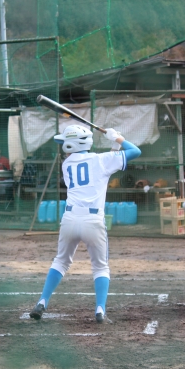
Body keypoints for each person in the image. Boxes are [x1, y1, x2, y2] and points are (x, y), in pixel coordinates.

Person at [28, 125, 142, 323]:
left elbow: (103, 169)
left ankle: (42, 302)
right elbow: (135, 151)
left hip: (69, 220)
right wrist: (117, 139)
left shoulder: (67, 164)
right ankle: (100, 310)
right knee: (100, 267)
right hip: (93, 222)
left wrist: (114, 148)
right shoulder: (101, 160)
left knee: (61, 261)